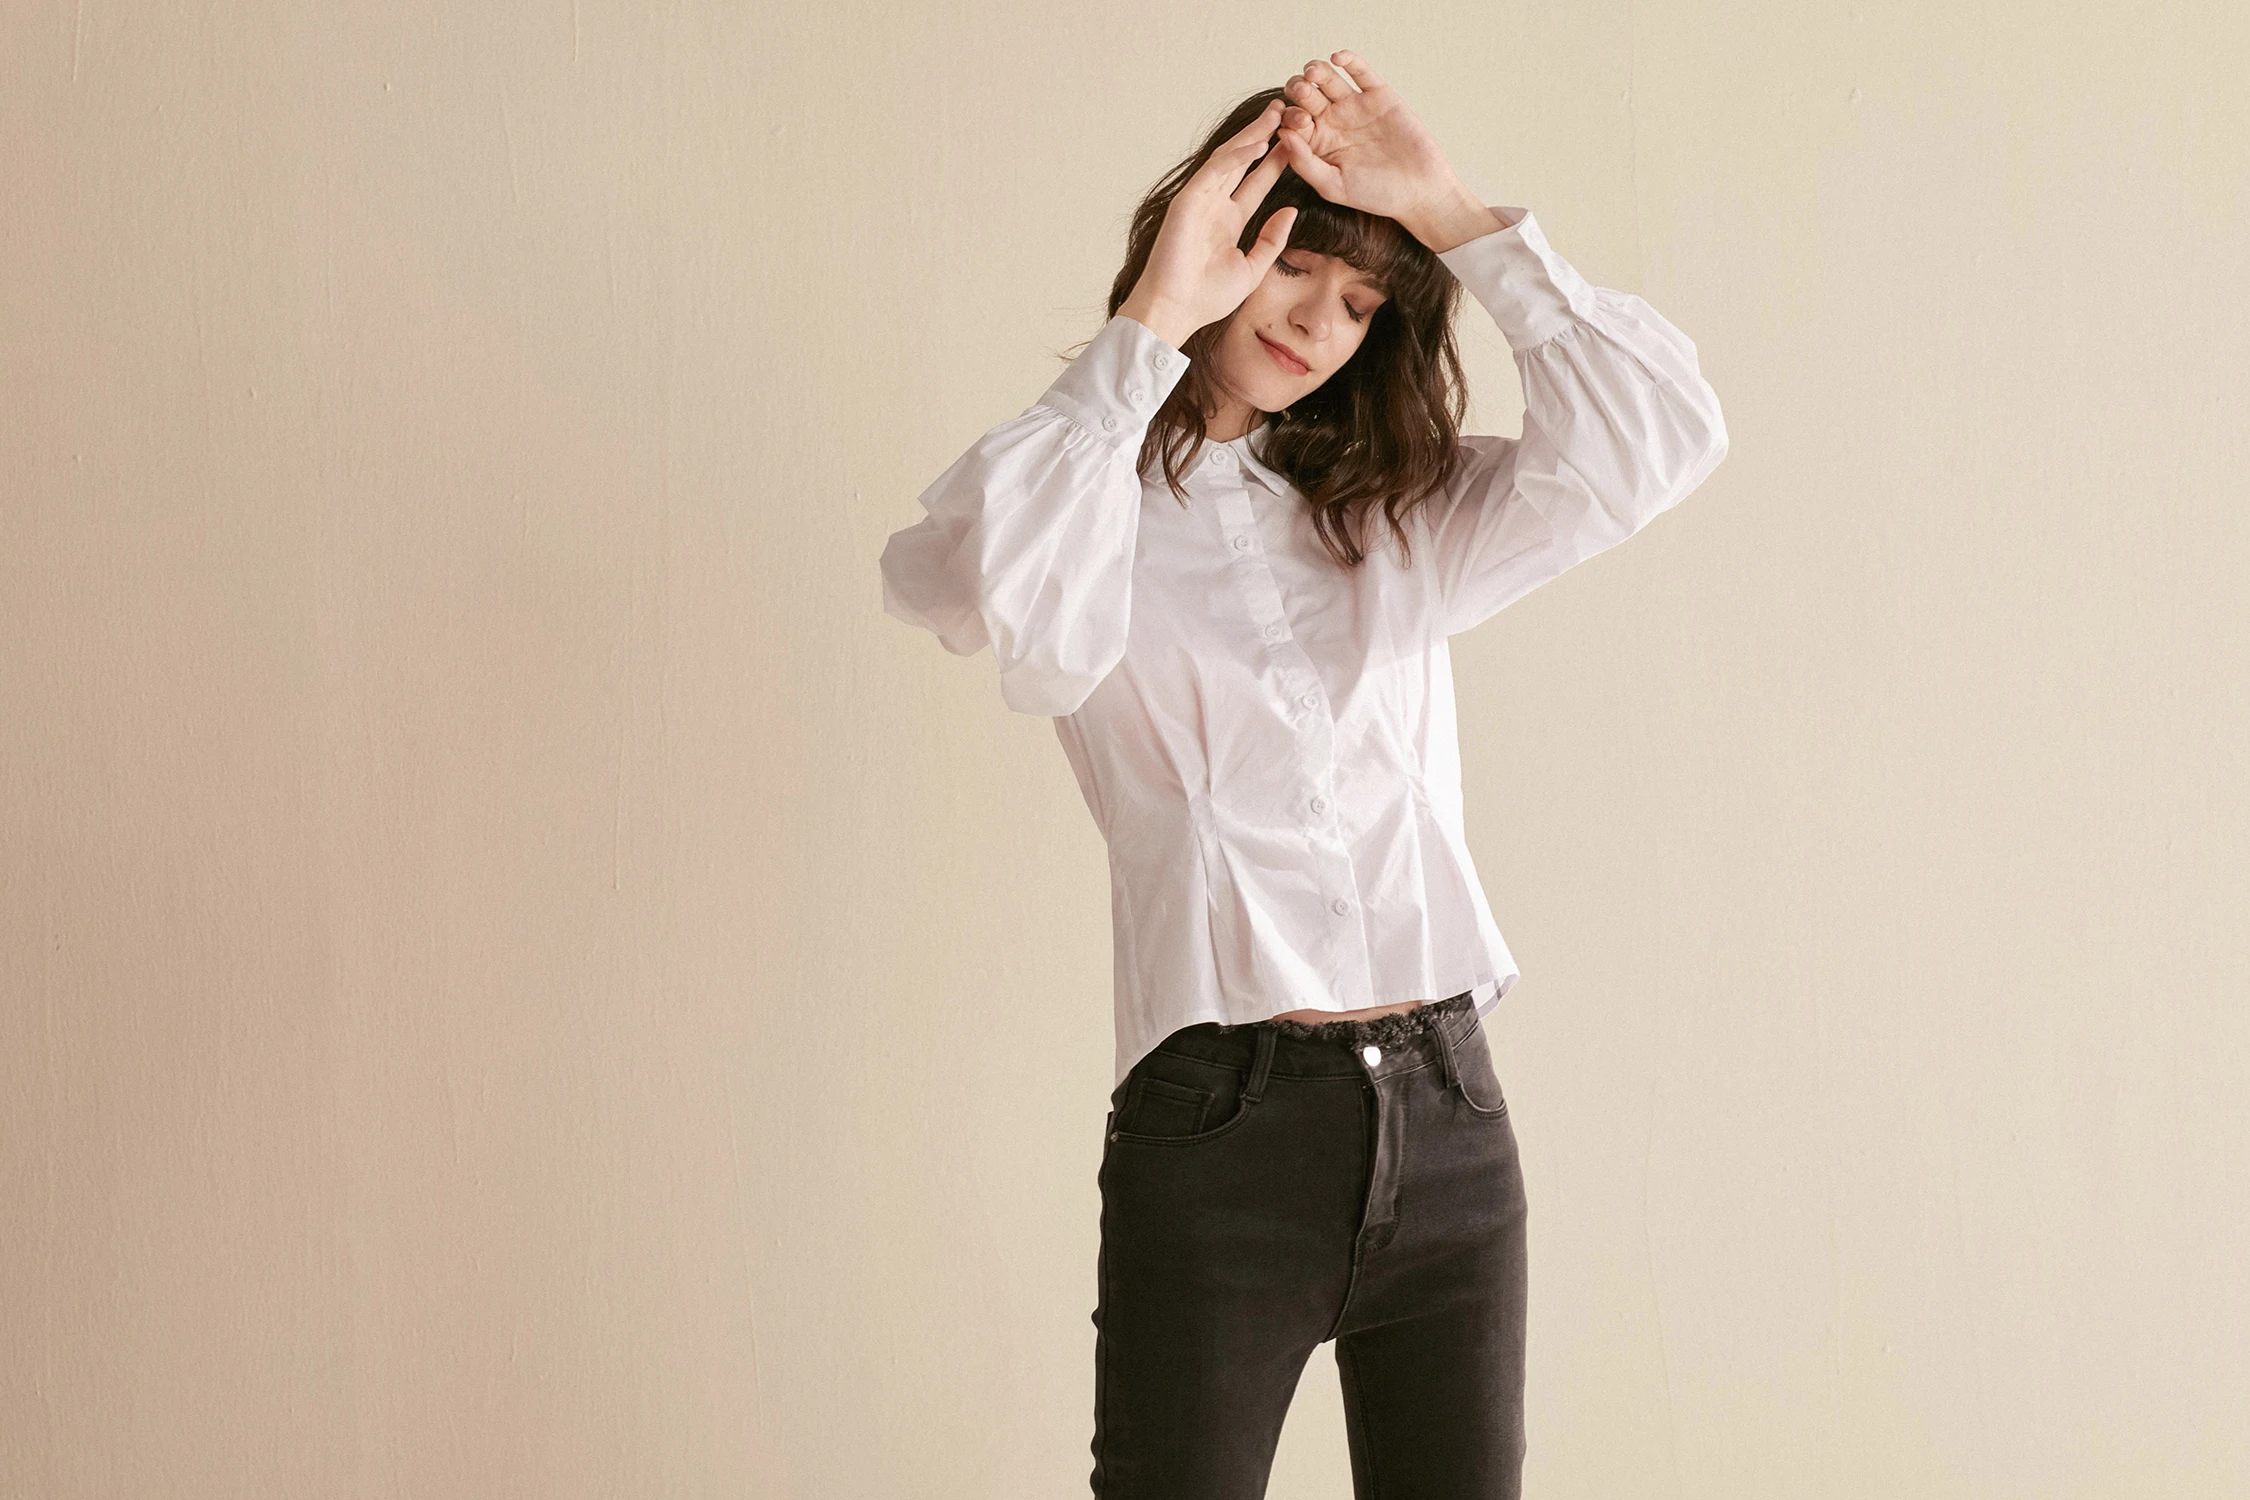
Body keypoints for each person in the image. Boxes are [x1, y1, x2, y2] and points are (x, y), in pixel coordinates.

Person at [878, 50, 1728, 1500]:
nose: (1318, 324)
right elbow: (996, 607)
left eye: (1360, 304)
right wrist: (1153, 319)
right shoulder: (1077, 504)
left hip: (1450, 1116)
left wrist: (1449, 212)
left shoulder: (1389, 510)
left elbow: (1656, 443)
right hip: (1224, 1125)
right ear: (1213, 241)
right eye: (1291, 267)